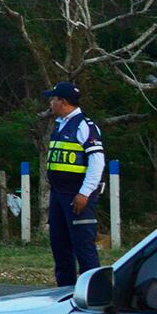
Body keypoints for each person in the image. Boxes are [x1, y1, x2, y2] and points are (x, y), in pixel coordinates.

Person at [42, 80, 106, 287]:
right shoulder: (61, 125)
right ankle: (65, 293)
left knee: (84, 248)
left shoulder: (85, 126)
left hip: (77, 197)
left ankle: (95, 293)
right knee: (60, 248)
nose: (50, 103)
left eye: (53, 98)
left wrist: (85, 193)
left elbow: (97, 163)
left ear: (63, 101)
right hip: (59, 195)